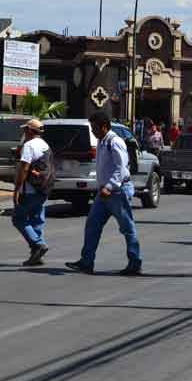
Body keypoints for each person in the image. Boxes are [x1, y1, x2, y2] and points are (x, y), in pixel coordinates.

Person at [66, 111, 142, 275]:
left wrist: (110, 186)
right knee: (92, 225)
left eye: (94, 128)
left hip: (117, 191)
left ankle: (135, 262)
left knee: (127, 228)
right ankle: (86, 262)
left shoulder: (115, 142)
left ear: (104, 126)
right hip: (104, 193)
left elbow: (121, 168)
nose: (92, 131)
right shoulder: (101, 141)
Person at [12, 119, 52, 266]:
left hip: (29, 190)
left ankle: (38, 244)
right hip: (43, 188)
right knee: (36, 220)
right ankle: (36, 255)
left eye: (25, 130)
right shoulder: (44, 145)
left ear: (30, 131)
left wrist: (17, 190)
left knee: (18, 219)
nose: (24, 132)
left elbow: (24, 168)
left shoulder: (29, 146)